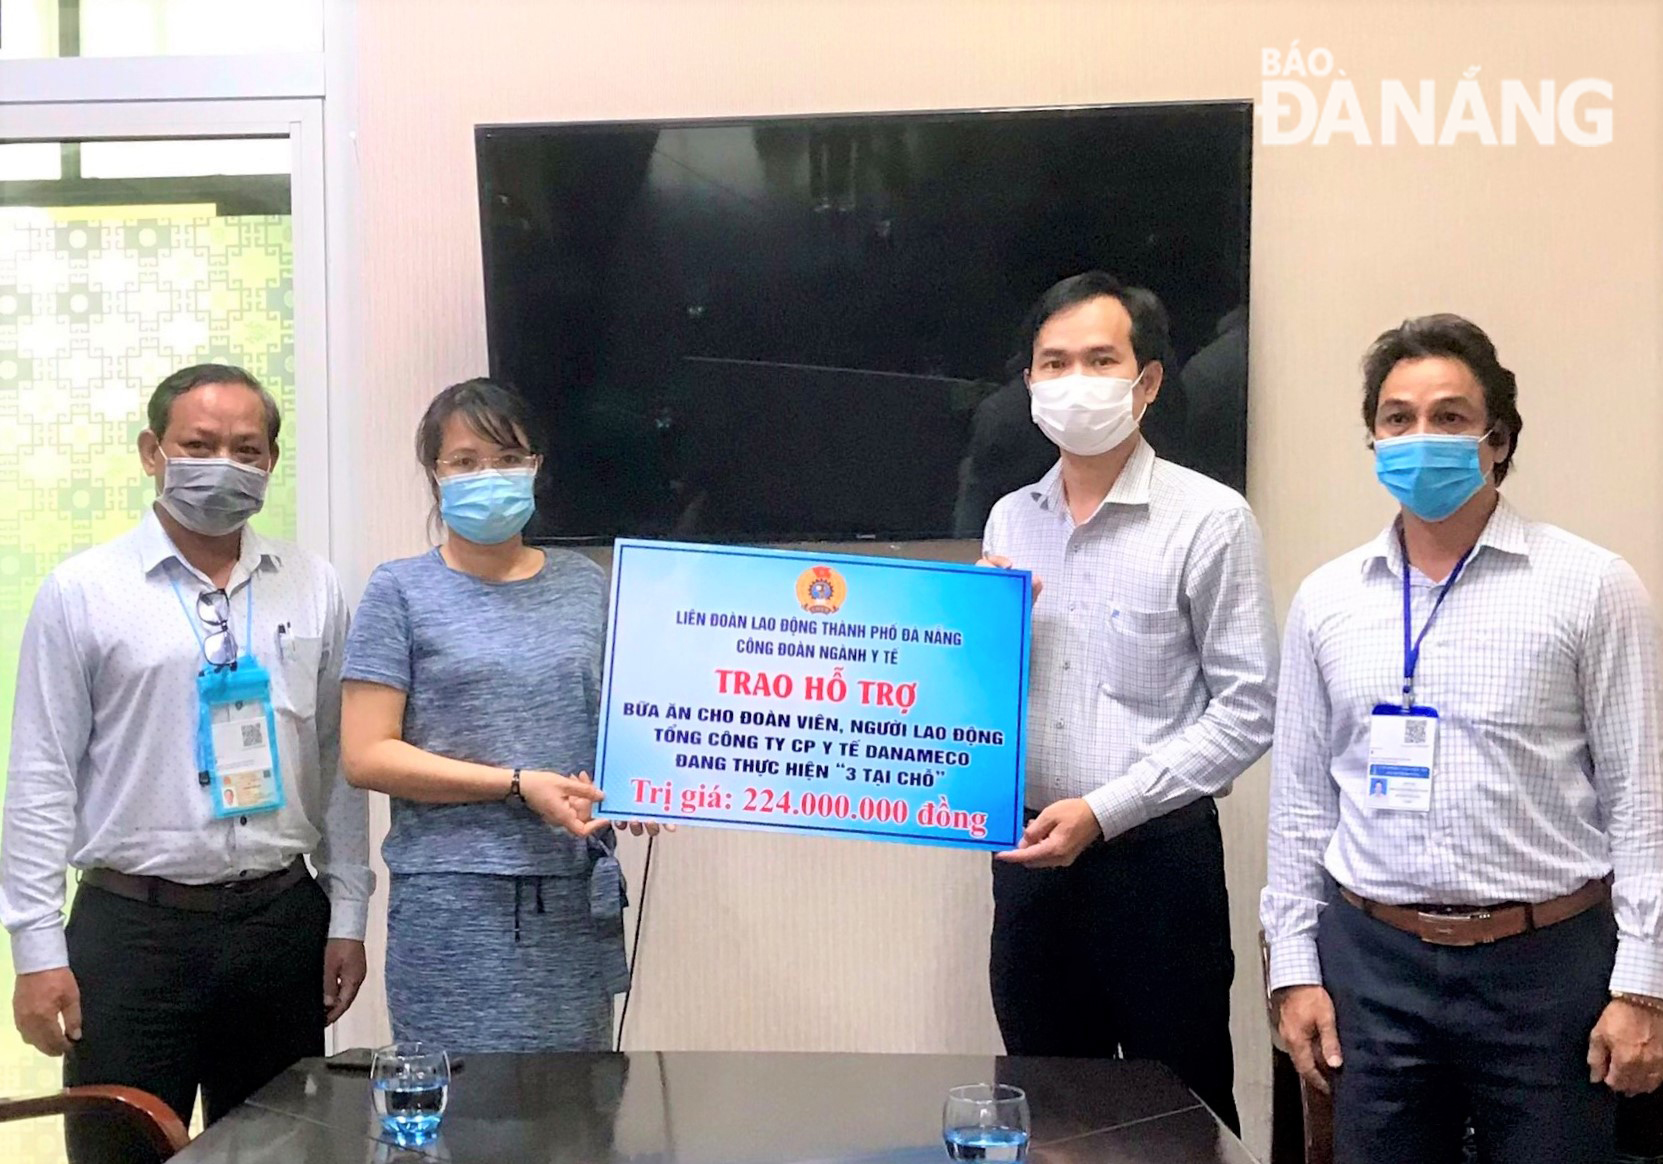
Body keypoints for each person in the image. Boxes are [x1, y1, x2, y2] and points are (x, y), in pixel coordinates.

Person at [1262, 314, 1663, 1163]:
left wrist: (1644, 985)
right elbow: (1299, 801)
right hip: (1374, 965)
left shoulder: (1590, 587)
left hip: (1546, 968)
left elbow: (1641, 799)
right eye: (1397, 419)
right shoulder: (1328, 600)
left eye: (1448, 417)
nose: (1420, 438)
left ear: (1496, 437)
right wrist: (1293, 968)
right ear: (1370, 439)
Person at [1, 364, 373, 1157]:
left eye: (246, 448)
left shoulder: (314, 587)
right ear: (151, 451)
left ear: (272, 462)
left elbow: (340, 762)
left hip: (280, 926)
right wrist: (35, 952)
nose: (224, 465)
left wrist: (346, 915)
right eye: (198, 445)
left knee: (288, 1153)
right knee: (121, 1149)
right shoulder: (82, 592)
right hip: (132, 933)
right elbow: (40, 779)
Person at [979, 271, 1277, 1132]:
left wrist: (1105, 812)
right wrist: (969, 642)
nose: (1074, 381)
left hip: (1155, 866)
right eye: (1053, 362)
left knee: (1176, 1114)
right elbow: (984, 699)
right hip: (1026, 860)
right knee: (1044, 1111)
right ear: (1029, 383)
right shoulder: (1008, 520)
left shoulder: (1209, 519)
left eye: (1099, 360)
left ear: (1145, 382)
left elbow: (1247, 708)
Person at [341, 377, 654, 1054]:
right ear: (435, 473)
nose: (490, 475)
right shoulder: (398, 591)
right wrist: (515, 783)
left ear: (537, 467)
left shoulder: (584, 585)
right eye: (465, 461)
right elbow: (366, 755)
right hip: (452, 904)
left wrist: (639, 785)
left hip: (573, 896)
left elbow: (614, 727)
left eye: (509, 458)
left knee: (576, 1120)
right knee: (459, 1120)